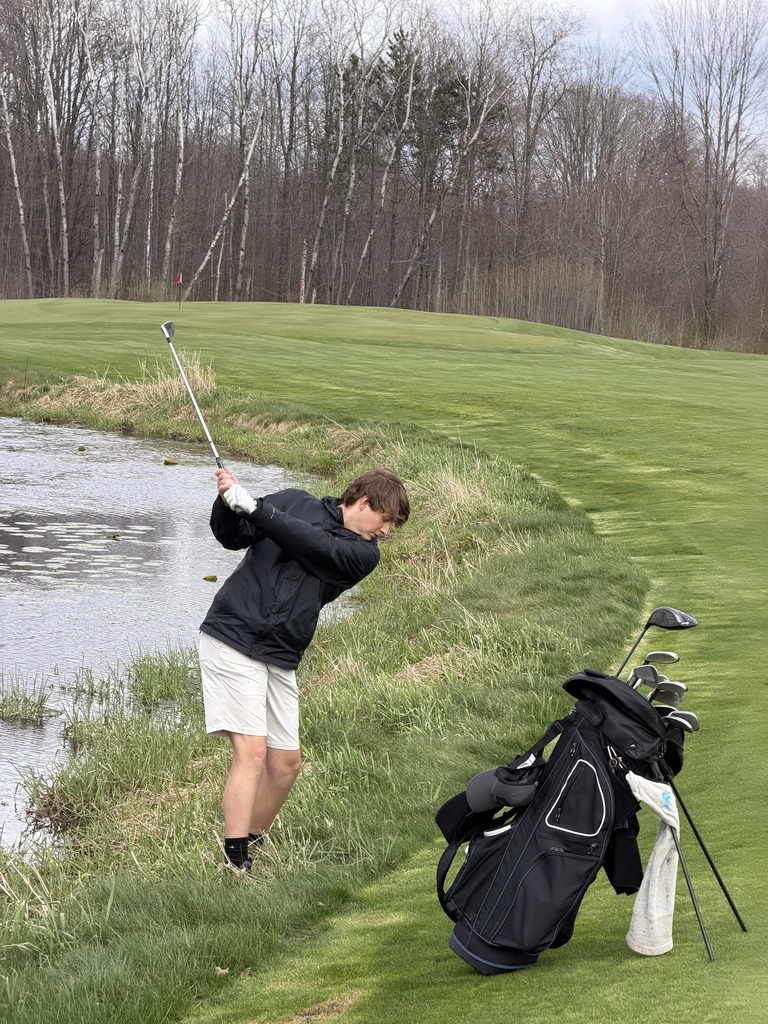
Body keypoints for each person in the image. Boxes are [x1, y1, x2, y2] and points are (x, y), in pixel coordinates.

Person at [199, 465, 410, 870]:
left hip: (280, 653)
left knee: (285, 764)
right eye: (385, 520)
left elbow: (315, 546)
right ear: (364, 503)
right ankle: (235, 863)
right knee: (252, 753)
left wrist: (258, 509)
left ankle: (252, 846)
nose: (386, 532)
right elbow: (232, 537)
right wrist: (228, 501)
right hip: (232, 636)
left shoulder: (363, 554)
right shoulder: (295, 501)